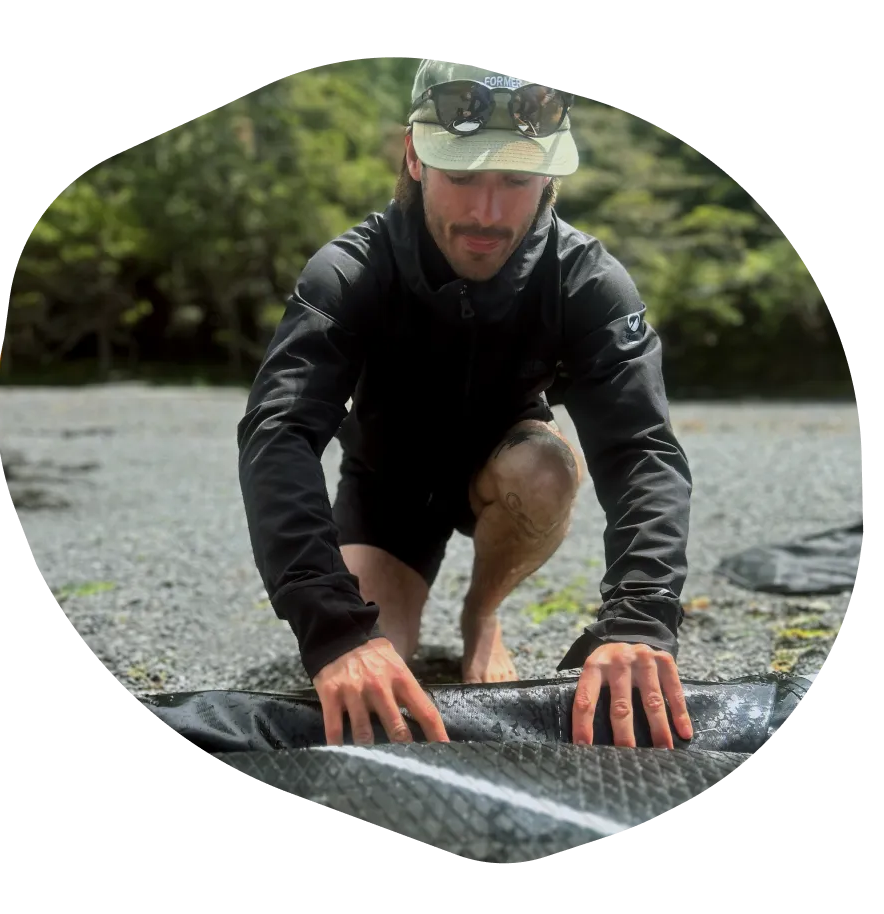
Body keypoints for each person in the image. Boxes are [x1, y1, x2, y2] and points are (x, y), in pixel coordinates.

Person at [237, 59, 696, 751]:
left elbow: (641, 450)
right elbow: (280, 433)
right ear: (415, 157)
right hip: (387, 486)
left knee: (545, 467)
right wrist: (332, 627)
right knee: (372, 667)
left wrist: (639, 619)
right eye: (461, 175)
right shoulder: (350, 272)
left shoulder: (586, 281)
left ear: (549, 177)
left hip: (508, 468)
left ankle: (482, 614)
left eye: (515, 180)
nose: (487, 213)